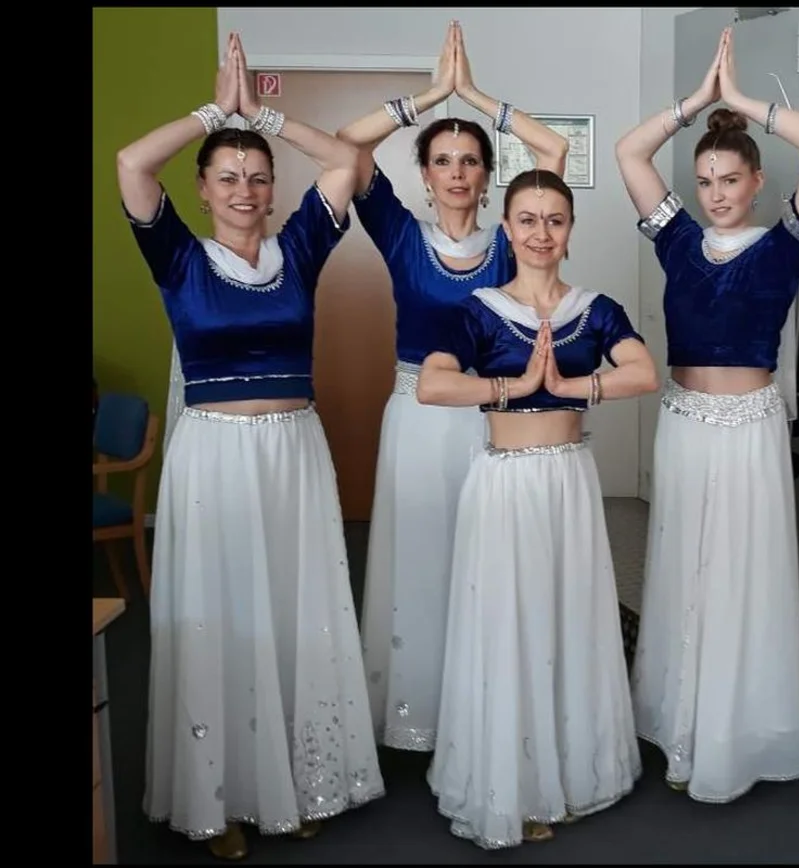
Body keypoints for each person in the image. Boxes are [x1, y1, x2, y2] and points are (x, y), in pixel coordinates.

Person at [117, 33, 385, 860]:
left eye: (258, 176)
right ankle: (221, 792)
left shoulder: (299, 248)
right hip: (214, 459)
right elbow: (131, 163)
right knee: (222, 620)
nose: (244, 189)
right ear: (200, 191)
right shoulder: (178, 259)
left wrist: (262, 113)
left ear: (275, 190)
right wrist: (211, 113)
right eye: (227, 177)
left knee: (294, 615)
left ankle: (296, 779)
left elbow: (345, 163)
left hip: (293, 454)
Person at [615, 27, 799, 803]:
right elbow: (628, 154)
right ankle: (682, 716)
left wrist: (744, 102)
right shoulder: (677, 240)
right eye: (704, 179)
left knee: (742, 574)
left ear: (754, 182)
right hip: (682, 423)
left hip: (748, 427)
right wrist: (693, 104)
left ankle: (739, 725)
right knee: (686, 567)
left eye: (728, 179)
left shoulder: (785, 246)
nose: (714, 192)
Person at [335, 20, 569, 755]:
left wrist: (479, 98)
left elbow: (554, 153)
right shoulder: (400, 234)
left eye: (470, 160)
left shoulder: (511, 238)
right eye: (443, 160)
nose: (458, 172)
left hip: (494, 413)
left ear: (486, 173)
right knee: (423, 558)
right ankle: (420, 716)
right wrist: (431, 95)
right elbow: (349, 146)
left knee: (489, 562)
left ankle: (486, 711)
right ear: (426, 173)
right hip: (416, 414)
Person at [417, 168, 657, 849]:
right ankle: (514, 779)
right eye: (527, 219)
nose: (541, 233)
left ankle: (571, 769)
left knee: (568, 615)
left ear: (570, 231)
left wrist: (572, 385)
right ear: (508, 229)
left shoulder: (596, 307)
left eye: (554, 220)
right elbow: (432, 386)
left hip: (568, 480)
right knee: (510, 619)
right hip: (505, 482)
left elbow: (644, 372)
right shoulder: (478, 308)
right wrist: (508, 387)